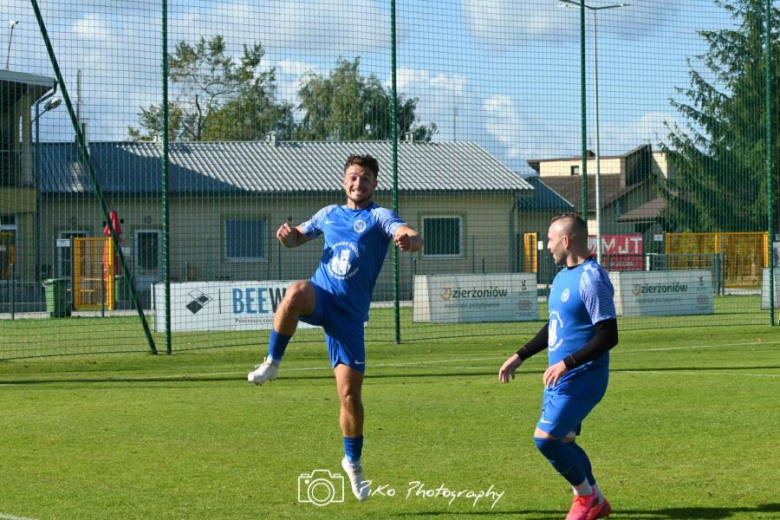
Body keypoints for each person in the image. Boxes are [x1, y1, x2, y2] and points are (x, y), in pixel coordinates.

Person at [247, 153, 423, 502]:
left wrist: (410, 240)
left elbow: (407, 233)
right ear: (345, 180)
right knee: (296, 290)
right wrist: (287, 237)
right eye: (354, 177)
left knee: (349, 398)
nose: (359, 183)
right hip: (321, 296)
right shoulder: (329, 213)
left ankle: (353, 464)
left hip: (349, 318)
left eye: (366, 179)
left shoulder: (379, 216)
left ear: (374, 184)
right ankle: (272, 362)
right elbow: (298, 237)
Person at [498, 213, 618, 520]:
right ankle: (599, 501)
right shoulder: (563, 276)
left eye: (550, 240)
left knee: (546, 440)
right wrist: (521, 355)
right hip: (560, 379)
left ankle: (585, 497)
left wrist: (567, 363)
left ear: (566, 241)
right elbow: (554, 326)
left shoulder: (592, 276)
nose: (547, 246)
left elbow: (608, 335)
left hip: (583, 378)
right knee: (564, 440)